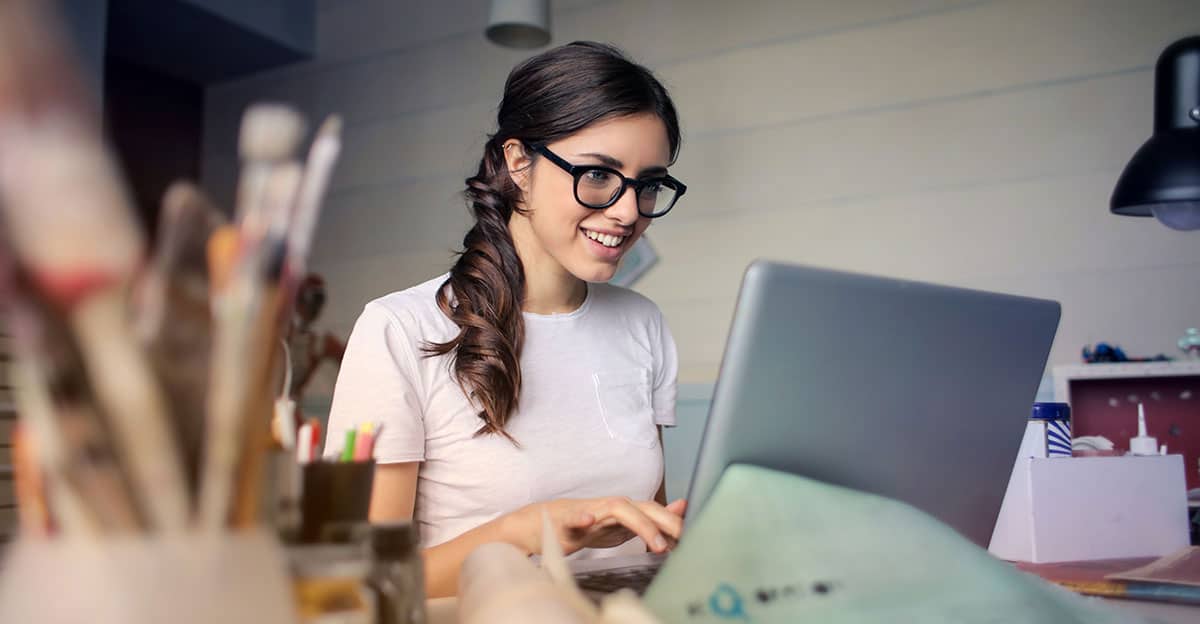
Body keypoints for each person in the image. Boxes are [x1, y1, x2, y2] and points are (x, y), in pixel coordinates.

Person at [325, 41, 689, 598]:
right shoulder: (398, 330)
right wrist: (527, 532)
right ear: (519, 163)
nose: (627, 211)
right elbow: (363, 582)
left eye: (649, 185)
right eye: (598, 175)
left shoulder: (643, 323)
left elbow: (651, 527)